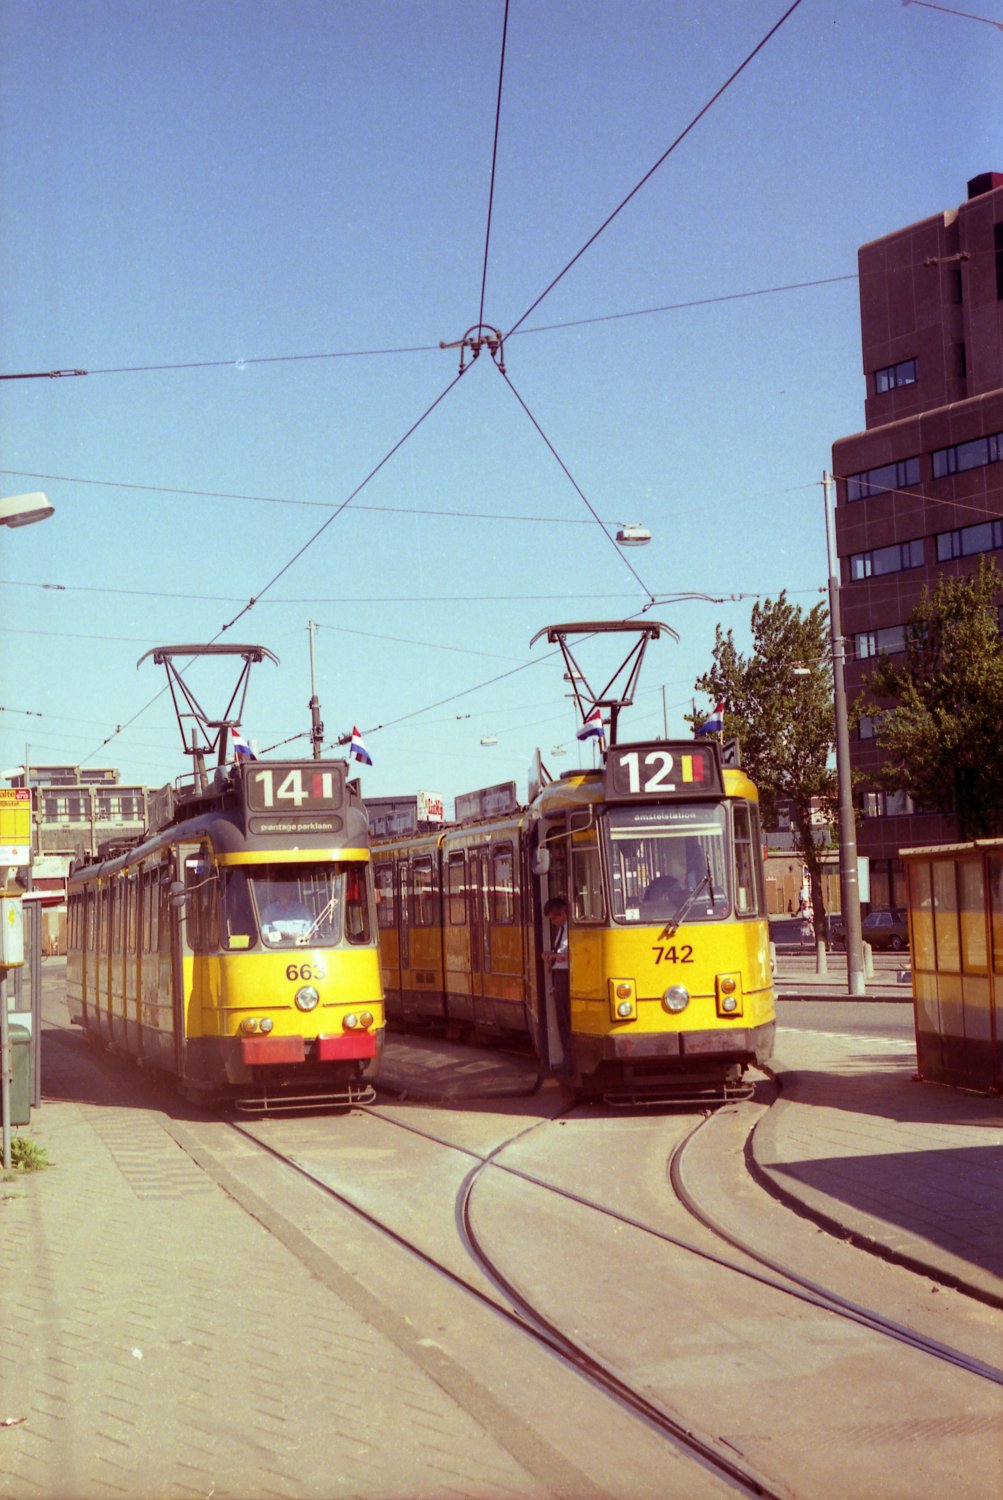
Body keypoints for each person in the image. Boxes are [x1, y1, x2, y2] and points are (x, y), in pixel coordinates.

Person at [542, 896, 573, 1077]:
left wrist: (552, 956)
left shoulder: (571, 930)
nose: (552, 922)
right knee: (562, 1020)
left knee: (566, 1020)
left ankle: (570, 1060)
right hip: (559, 976)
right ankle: (567, 1059)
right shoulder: (562, 930)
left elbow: (570, 953)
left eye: (554, 918)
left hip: (566, 976)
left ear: (563, 914)